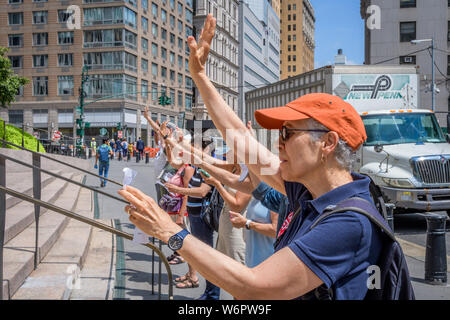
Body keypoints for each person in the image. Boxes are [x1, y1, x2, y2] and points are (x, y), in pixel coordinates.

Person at [118, 14, 389, 300]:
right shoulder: (309, 191)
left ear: (327, 143)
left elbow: (254, 287)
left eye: (287, 133)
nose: (277, 143)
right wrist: (200, 76)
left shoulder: (348, 221)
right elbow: (242, 139)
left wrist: (167, 230)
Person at [164, 140, 221, 300]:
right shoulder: (196, 166)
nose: (192, 151)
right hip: (194, 215)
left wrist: (178, 190)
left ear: (205, 150)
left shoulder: (208, 168)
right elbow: (173, 161)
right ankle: (209, 292)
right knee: (199, 255)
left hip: (201, 217)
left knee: (206, 257)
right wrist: (167, 140)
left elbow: (203, 192)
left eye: (195, 148)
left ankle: (212, 294)